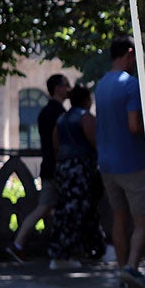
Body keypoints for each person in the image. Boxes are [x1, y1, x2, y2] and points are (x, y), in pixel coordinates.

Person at [95, 34, 145, 288]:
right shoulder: (130, 85)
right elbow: (133, 126)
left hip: (107, 165)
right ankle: (131, 268)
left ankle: (122, 274)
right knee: (142, 221)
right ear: (129, 53)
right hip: (132, 163)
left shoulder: (101, 85)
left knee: (118, 218)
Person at [7, 74, 71, 262]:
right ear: (58, 88)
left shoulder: (45, 111)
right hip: (58, 167)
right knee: (66, 207)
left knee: (43, 208)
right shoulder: (59, 112)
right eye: (66, 85)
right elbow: (57, 141)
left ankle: (18, 244)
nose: (69, 89)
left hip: (48, 166)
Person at [48, 84, 105, 269]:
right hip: (81, 168)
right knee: (78, 209)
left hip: (64, 167)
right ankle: (65, 254)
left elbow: (55, 144)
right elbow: (96, 142)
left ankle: (90, 248)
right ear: (87, 100)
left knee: (71, 208)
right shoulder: (85, 117)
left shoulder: (61, 119)